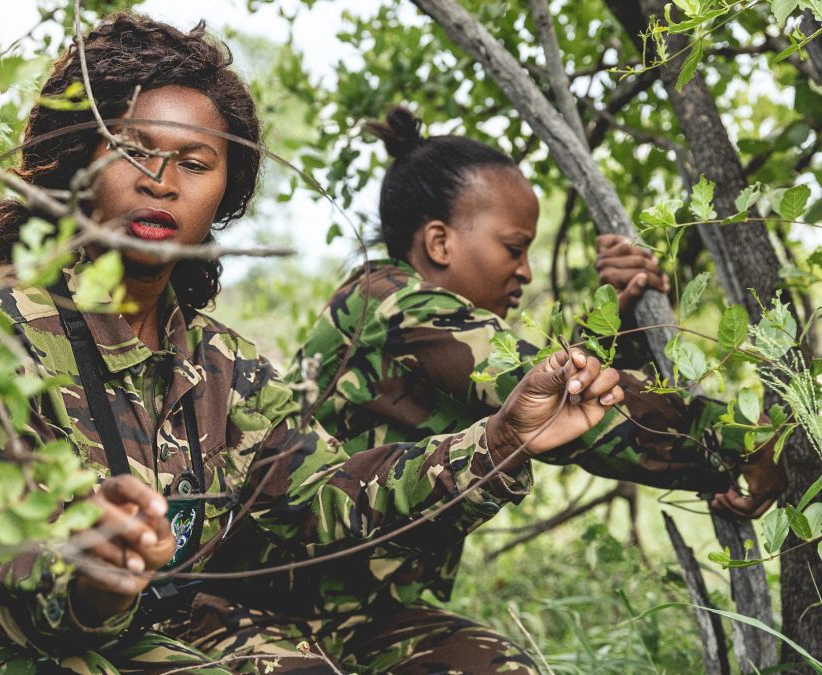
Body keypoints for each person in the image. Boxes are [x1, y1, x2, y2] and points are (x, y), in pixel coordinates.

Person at [0, 16, 626, 675]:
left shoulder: (223, 362)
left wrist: (500, 442)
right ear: (76, 163)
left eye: (195, 162)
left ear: (225, 193)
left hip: (149, 620)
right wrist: (88, 570)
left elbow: (322, 503)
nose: (161, 181)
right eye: (132, 150)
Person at [277, 105, 785, 629]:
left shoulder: (400, 307)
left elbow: (540, 389)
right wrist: (747, 440)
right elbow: (563, 408)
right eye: (514, 248)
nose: (525, 272)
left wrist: (616, 317)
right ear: (440, 243)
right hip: (281, 615)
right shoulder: (396, 305)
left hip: (363, 613)